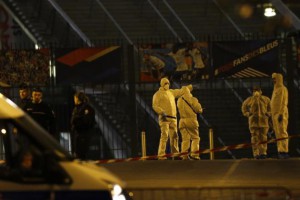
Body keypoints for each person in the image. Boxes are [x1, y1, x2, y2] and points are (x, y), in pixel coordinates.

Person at [152, 77, 192, 160]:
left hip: (173, 118)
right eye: (166, 83)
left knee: (174, 136)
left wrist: (189, 87)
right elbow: (155, 106)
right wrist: (161, 112)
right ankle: (161, 154)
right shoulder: (157, 94)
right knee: (164, 136)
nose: (167, 85)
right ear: (162, 84)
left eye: (168, 83)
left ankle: (175, 153)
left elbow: (180, 91)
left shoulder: (171, 92)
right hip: (164, 118)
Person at [241, 86, 271, 159]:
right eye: (254, 90)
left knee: (263, 138)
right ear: (252, 92)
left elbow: (270, 108)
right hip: (253, 123)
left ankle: (263, 153)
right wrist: (248, 114)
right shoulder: (249, 100)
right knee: (255, 139)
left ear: (260, 91)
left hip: (264, 122)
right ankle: (256, 154)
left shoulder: (266, 99)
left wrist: (268, 113)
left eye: (257, 90)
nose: (256, 92)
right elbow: (243, 108)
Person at [177, 86, 203, 160]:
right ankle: (195, 155)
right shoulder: (193, 99)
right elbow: (198, 109)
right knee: (195, 138)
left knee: (185, 139)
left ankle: (184, 155)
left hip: (181, 121)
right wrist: (201, 110)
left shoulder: (178, 100)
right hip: (191, 120)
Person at [70, 91, 96, 160]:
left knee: (81, 155)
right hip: (77, 134)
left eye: (74, 98)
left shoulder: (86, 108)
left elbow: (87, 122)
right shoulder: (77, 108)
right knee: (77, 154)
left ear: (77, 98)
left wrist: (76, 122)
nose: (74, 100)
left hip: (83, 134)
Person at [270, 73, 289, 159]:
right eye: (273, 79)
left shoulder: (282, 89)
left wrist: (281, 113)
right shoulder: (275, 90)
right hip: (274, 114)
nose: (273, 80)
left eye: (275, 78)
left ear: (279, 79)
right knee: (277, 133)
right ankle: (280, 150)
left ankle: (284, 151)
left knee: (282, 132)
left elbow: (284, 102)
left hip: (280, 114)